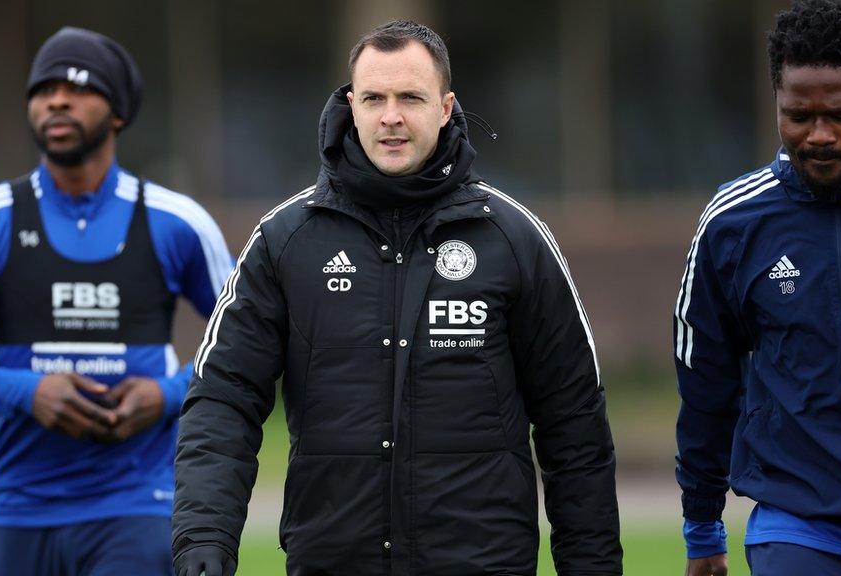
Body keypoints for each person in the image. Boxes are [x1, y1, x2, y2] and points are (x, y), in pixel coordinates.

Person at [172, 19, 622, 576]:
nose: (391, 117)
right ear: (351, 105)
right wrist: (203, 540)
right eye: (374, 98)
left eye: (411, 97)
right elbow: (223, 397)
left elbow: (573, 421)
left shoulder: (513, 238)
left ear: (445, 107)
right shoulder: (285, 240)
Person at [0, 27, 234, 575]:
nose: (56, 99)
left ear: (118, 112)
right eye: (42, 89)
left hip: (138, 507)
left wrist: (168, 394)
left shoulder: (178, 224)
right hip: (21, 513)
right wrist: (29, 393)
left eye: (78, 87)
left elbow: (251, 350)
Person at [674, 1, 841, 574]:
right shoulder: (735, 222)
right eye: (799, 116)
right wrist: (702, 524)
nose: (820, 136)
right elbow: (705, 378)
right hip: (801, 528)